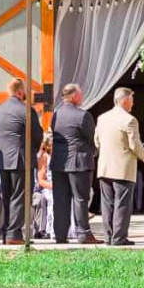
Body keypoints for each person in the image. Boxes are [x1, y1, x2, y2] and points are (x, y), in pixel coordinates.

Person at [94, 87, 144, 246]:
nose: (133, 104)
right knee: (123, 204)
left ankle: (108, 237)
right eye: (132, 100)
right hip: (123, 168)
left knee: (107, 204)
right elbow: (135, 145)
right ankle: (119, 238)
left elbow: (96, 141)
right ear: (125, 100)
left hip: (105, 167)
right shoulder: (130, 120)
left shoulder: (102, 118)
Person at [50, 83, 99, 244]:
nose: (82, 97)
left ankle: (60, 235)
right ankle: (83, 233)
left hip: (58, 162)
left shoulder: (55, 115)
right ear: (73, 96)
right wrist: (92, 152)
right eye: (81, 94)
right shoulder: (83, 115)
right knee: (80, 199)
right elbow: (91, 139)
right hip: (79, 161)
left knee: (60, 199)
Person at [0, 77, 34, 245]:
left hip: (3, 159)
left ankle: (6, 231)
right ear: (20, 91)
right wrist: (34, 150)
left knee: (7, 196)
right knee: (20, 196)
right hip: (20, 158)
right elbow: (36, 135)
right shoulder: (25, 110)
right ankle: (14, 233)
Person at [35, 133, 55, 237]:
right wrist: (52, 186)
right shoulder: (44, 157)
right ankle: (51, 229)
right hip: (49, 187)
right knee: (53, 199)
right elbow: (41, 180)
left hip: (62, 186)